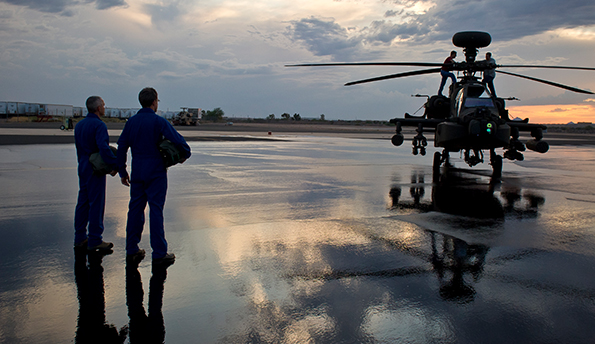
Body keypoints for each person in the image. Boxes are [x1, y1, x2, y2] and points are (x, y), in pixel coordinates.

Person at [117, 87, 191, 266]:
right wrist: (183, 155)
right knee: (156, 210)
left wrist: (122, 171)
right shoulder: (159, 122)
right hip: (156, 171)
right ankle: (159, 252)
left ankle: (131, 248)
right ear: (154, 102)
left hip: (138, 170)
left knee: (135, 209)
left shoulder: (131, 122)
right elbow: (180, 142)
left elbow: (121, 146)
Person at [74, 96, 117, 252]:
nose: (104, 107)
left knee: (83, 202)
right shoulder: (99, 125)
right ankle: (95, 239)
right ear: (98, 108)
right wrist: (114, 164)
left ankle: (79, 237)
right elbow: (103, 148)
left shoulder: (79, 125)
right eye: (103, 105)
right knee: (96, 204)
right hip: (94, 168)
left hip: (83, 166)